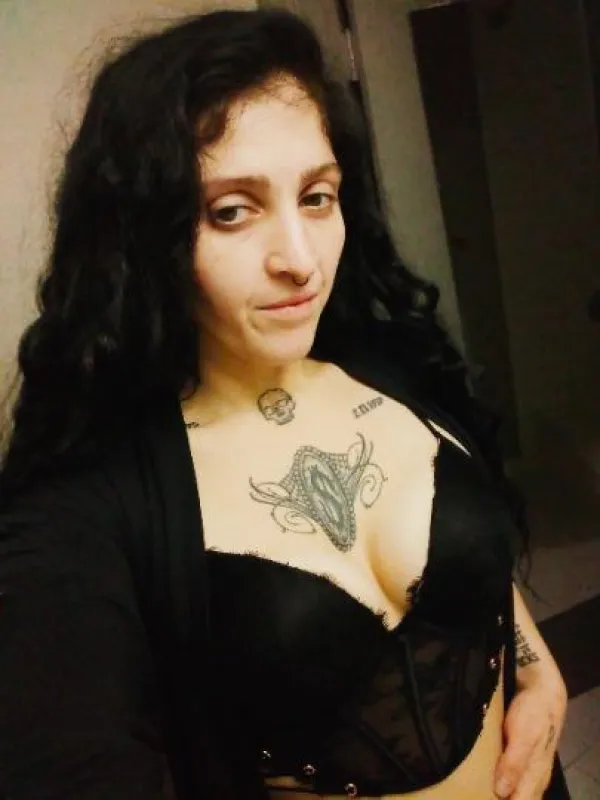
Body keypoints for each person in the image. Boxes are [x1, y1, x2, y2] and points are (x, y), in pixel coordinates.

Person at [0, 8, 569, 800]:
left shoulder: (389, 364)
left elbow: (475, 557)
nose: (300, 260)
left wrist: (537, 670)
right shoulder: (88, 503)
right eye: (231, 210)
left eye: (318, 197)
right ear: (144, 234)